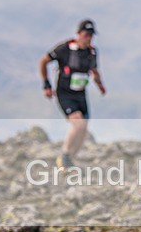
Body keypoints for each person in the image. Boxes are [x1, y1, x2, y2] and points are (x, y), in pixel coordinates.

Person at [38, 19, 106, 169]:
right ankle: (64, 156)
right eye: (86, 35)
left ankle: (69, 160)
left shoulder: (92, 52)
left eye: (91, 36)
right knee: (78, 124)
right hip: (65, 94)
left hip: (80, 94)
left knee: (83, 129)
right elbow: (43, 61)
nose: (89, 38)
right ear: (78, 33)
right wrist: (46, 84)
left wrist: (100, 85)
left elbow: (94, 70)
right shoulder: (65, 48)